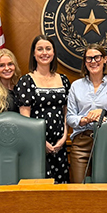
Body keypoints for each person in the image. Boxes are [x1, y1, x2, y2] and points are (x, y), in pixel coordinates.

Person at [16, 36, 71, 182]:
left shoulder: (64, 80)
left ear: (53, 53)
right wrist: (41, 142)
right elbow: (24, 120)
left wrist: (64, 137)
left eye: (48, 49)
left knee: (61, 190)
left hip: (59, 146)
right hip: (36, 145)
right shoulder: (26, 81)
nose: (44, 53)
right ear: (34, 54)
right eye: (39, 49)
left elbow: (66, 112)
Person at [66, 44, 107, 183]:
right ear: (85, 63)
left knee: (106, 190)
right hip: (82, 142)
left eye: (97, 57)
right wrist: (84, 119)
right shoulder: (76, 86)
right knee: (79, 189)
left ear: (104, 59)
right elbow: (70, 117)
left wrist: (103, 113)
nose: (93, 61)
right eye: (89, 59)